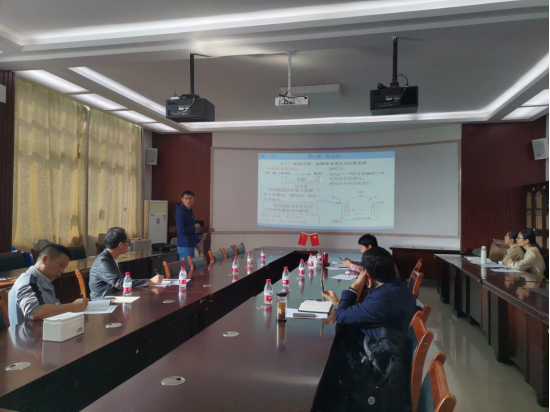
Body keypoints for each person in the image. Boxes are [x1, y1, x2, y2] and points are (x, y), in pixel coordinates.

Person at [323, 246, 416, 339]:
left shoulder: (380, 298)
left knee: (340, 330)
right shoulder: (399, 285)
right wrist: (338, 303)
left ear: (367, 274)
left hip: (377, 343)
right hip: (393, 332)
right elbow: (364, 311)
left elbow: (340, 316)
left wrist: (354, 286)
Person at [8, 244, 89, 326]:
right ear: (45, 260)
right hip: (28, 333)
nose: (62, 271)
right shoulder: (29, 281)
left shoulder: (44, 280)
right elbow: (35, 312)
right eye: (61, 265)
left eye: (64, 267)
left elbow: (54, 306)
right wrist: (73, 306)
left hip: (45, 329)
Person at [89, 227, 163, 300]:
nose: (128, 244)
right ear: (121, 244)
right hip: (103, 302)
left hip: (113, 298)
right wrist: (150, 281)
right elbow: (120, 283)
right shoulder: (103, 261)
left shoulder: (110, 258)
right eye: (128, 241)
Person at [176, 190, 201, 261]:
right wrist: (194, 227)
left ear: (193, 199)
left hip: (190, 244)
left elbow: (192, 229)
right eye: (186, 198)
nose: (188, 200)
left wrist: (196, 242)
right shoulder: (180, 212)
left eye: (190, 198)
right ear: (182, 199)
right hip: (184, 245)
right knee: (186, 267)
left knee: (191, 266)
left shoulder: (189, 211)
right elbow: (181, 230)